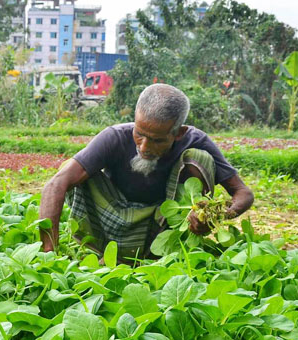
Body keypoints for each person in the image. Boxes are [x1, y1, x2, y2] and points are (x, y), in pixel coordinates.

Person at [38, 83, 254, 260]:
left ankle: (177, 253)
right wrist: (49, 252)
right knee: (70, 170)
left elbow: (243, 193)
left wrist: (215, 215)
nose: (144, 147)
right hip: (113, 227)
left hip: (163, 230)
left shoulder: (195, 140)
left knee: (199, 158)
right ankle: (105, 253)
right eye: (139, 134)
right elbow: (55, 185)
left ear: (178, 133)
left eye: (157, 140)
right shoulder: (114, 137)